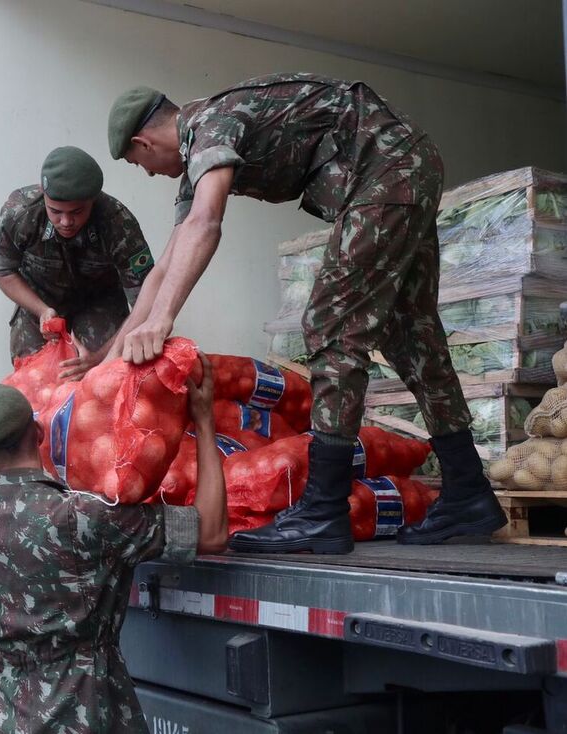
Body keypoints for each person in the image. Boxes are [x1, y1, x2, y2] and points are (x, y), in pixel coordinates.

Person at [105, 76, 506, 552]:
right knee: (412, 335)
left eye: (141, 165)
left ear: (143, 142)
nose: (150, 173)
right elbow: (169, 261)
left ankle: (323, 509)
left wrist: (163, 319)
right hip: (403, 167)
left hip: (387, 170)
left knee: (332, 325)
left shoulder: (210, 126)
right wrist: (111, 357)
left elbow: (206, 223)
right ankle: (468, 490)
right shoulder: (203, 150)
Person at [0, 361, 226, 733]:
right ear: (38, 432)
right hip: (78, 713)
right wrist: (205, 422)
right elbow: (210, 530)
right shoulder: (81, 516)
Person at [0, 146, 155, 378]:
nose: (66, 221)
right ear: (43, 194)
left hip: (100, 303)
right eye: (55, 211)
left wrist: (102, 358)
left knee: (103, 380)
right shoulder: (19, 213)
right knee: (33, 380)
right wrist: (42, 311)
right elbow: (2, 271)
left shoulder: (118, 223)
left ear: (93, 200)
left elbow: (146, 303)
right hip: (39, 301)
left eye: (77, 211)